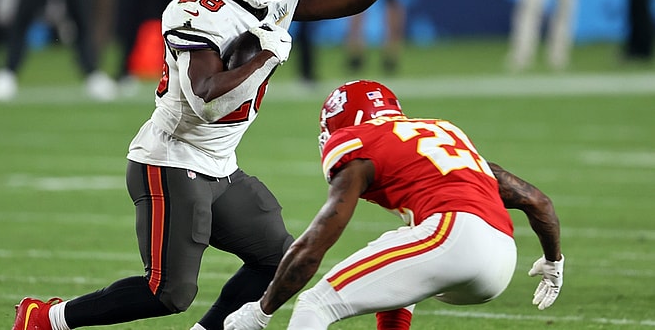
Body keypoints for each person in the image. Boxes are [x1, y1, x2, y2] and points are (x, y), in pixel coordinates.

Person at [10, 0, 406, 330]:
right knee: (168, 292)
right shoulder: (197, 11)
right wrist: (266, 56)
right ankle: (46, 318)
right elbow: (207, 102)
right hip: (172, 160)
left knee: (278, 259)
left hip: (219, 161)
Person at [224, 79, 565, 330]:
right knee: (398, 257)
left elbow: (317, 241)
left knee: (315, 304)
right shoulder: (442, 132)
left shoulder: (356, 140)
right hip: (501, 258)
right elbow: (537, 201)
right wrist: (553, 262)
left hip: (453, 237)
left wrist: (262, 310)